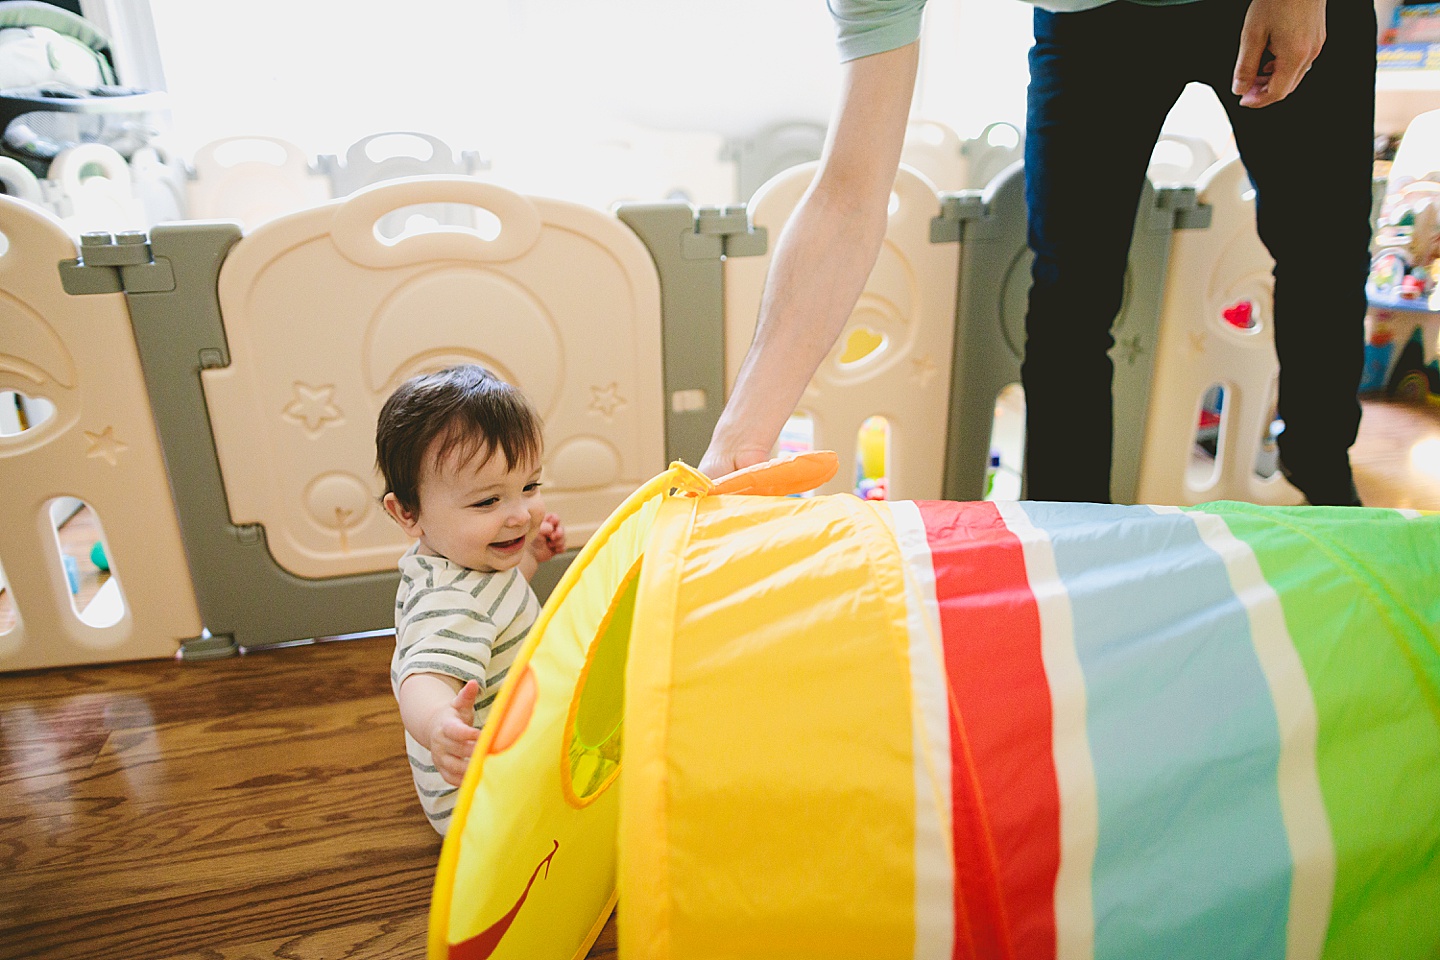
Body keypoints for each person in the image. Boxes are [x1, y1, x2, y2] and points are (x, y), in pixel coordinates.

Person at [699, 0, 1372, 507]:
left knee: (1323, 248)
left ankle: (1322, 480)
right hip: (1093, 22)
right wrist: (739, 440)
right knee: (1067, 291)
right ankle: (1069, 526)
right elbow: (848, 195)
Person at [375, 364, 566, 835]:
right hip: (487, 803)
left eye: (529, 486)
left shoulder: (463, 558)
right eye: (487, 502)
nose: (521, 514)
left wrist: (531, 561)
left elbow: (494, 606)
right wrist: (440, 722)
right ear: (408, 512)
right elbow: (421, 677)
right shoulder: (452, 602)